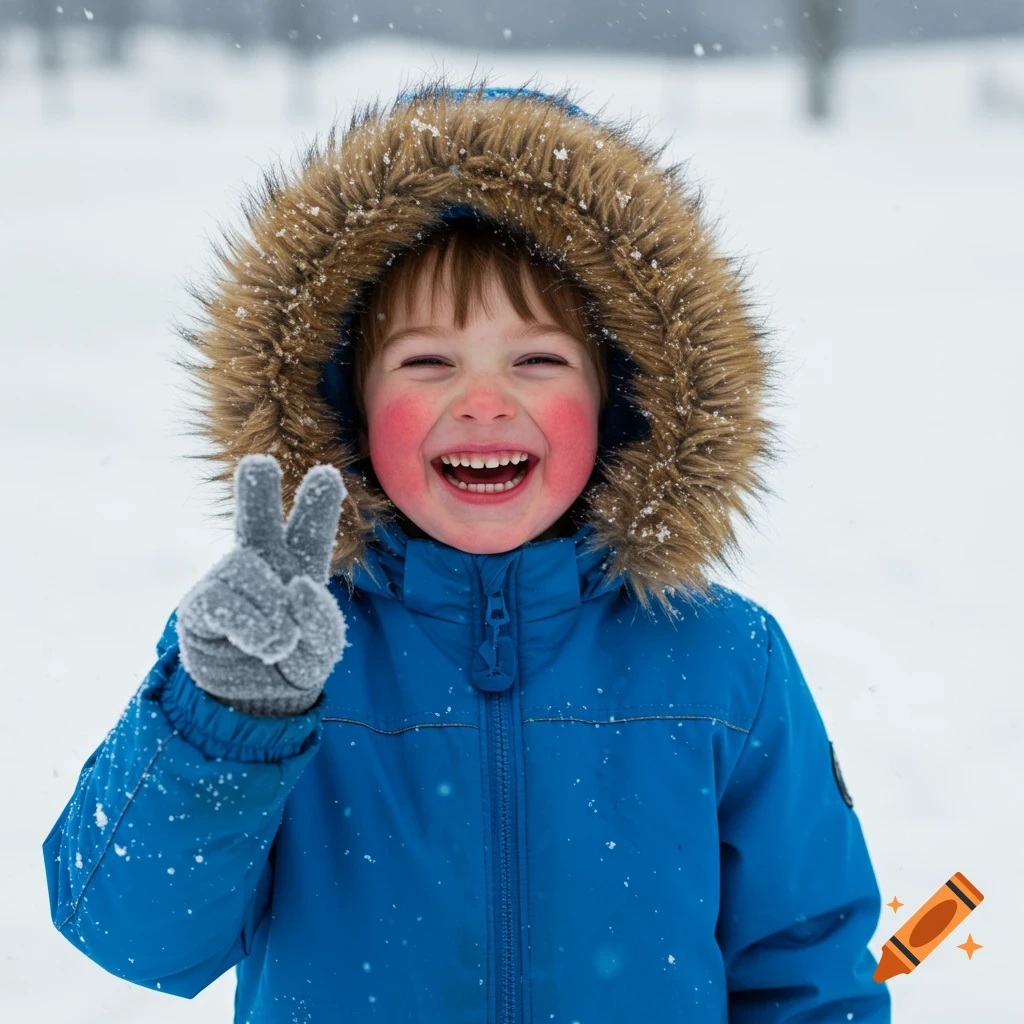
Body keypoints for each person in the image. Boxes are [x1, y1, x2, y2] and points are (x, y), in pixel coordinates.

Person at [43, 82, 891, 1022]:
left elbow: (807, 969)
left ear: (620, 402)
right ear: (347, 408)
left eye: (537, 361)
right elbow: (132, 934)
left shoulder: (724, 659)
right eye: (426, 363)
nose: (483, 403)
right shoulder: (274, 654)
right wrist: (229, 724)